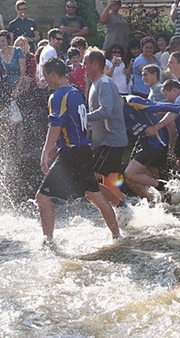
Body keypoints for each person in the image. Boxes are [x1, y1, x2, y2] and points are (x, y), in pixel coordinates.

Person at [35, 58, 120, 243]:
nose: (44, 80)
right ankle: (117, 236)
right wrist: (58, 147)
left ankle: (48, 242)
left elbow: (55, 126)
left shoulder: (58, 96)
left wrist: (45, 152)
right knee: (94, 195)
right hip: (84, 149)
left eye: (45, 75)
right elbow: (75, 126)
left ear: (52, 74)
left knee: (42, 197)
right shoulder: (75, 92)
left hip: (71, 153)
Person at [83, 49, 128, 208]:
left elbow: (106, 110)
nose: (83, 67)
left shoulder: (104, 83)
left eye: (85, 63)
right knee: (110, 183)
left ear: (95, 65)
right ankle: (126, 212)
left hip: (111, 141)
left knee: (90, 179)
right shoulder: (96, 83)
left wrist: (83, 117)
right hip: (106, 141)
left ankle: (119, 207)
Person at [122, 94, 180, 201]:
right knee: (132, 177)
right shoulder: (114, 110)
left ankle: (162, 188)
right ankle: (155, 200)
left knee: (130, 173)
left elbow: (159, 106)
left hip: (155, 142)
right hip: (142, 142)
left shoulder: (132, 101)